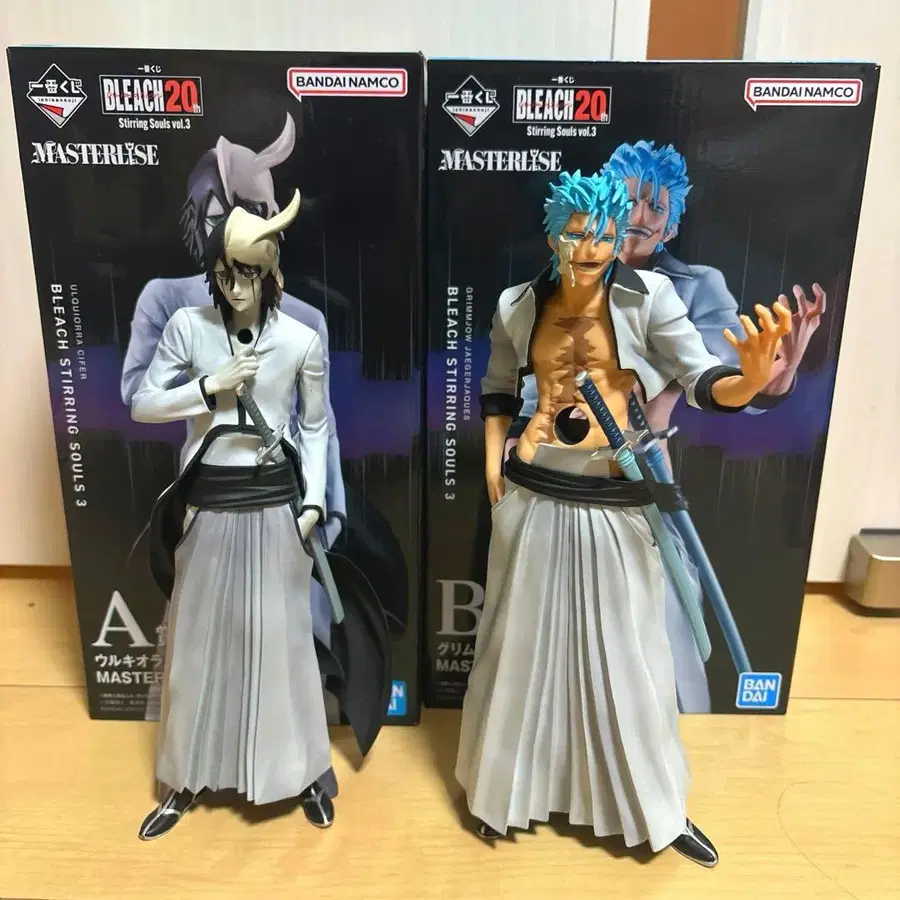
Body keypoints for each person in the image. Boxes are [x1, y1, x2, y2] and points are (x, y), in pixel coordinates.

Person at [455, 170, 791, 867]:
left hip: (616, 492)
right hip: (534, 490)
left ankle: (655, 809)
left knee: (631, 659)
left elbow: (700, 379)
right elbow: (496, 389)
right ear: (554, 235)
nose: (591, 248)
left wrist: (749, 382)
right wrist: (492, 464)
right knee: (517, 650)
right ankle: (498, 794)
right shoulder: (519, 305)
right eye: (577, 234)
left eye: (605, 236)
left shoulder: (649, 297)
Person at [512, 141, 825, 712]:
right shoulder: (551, 289)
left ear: (672, 225)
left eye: (655, 206)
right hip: (560, 477)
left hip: (642, 477)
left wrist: (767, 380)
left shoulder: (687, 288)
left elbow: (714, 378)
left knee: (664, 612)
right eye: (628, 199)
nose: (639, 215)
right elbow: (530, 388)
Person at [132, 190, 391, 841]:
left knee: (285, 642)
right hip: (210, 499)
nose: (235, 286)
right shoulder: (189, 327)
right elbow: (142, 403)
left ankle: (304, 772)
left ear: (270, 271)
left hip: (277, 501)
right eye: (225, 273)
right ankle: (185, 775)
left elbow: (316, 426)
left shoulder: (301, 339)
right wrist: (207, 387)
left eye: (248, 273)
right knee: (197, 643)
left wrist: (314, 501)